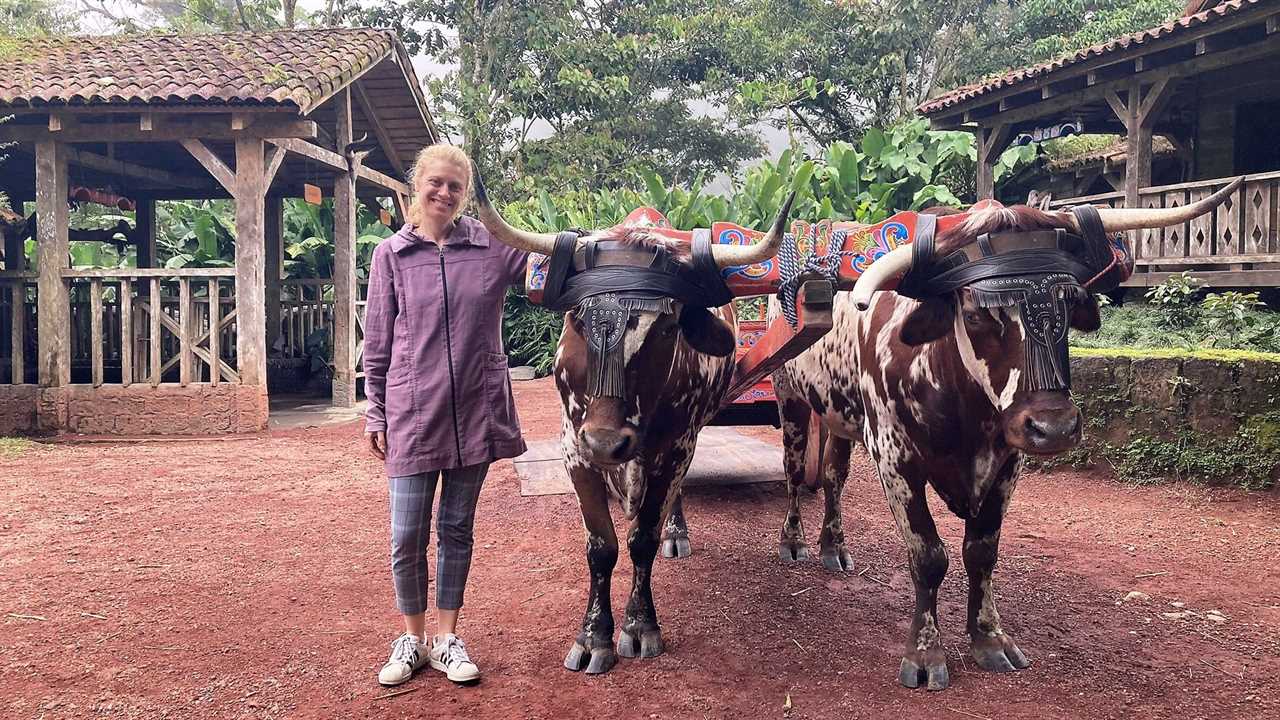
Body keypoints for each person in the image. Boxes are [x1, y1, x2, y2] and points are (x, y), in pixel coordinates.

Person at [362, 145, 528, 686]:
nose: (445, 193)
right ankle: (411, 639)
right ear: (418, 185)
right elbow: (378, 341)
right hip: (413, 413)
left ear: (466, 195)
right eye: (436, 183)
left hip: (475, 412)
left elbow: (554, 269)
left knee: (456, 528)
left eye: (456, 187)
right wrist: (376, 414)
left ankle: (447, 637)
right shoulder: (391, 254)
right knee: (406, 535)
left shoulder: (491, 249)